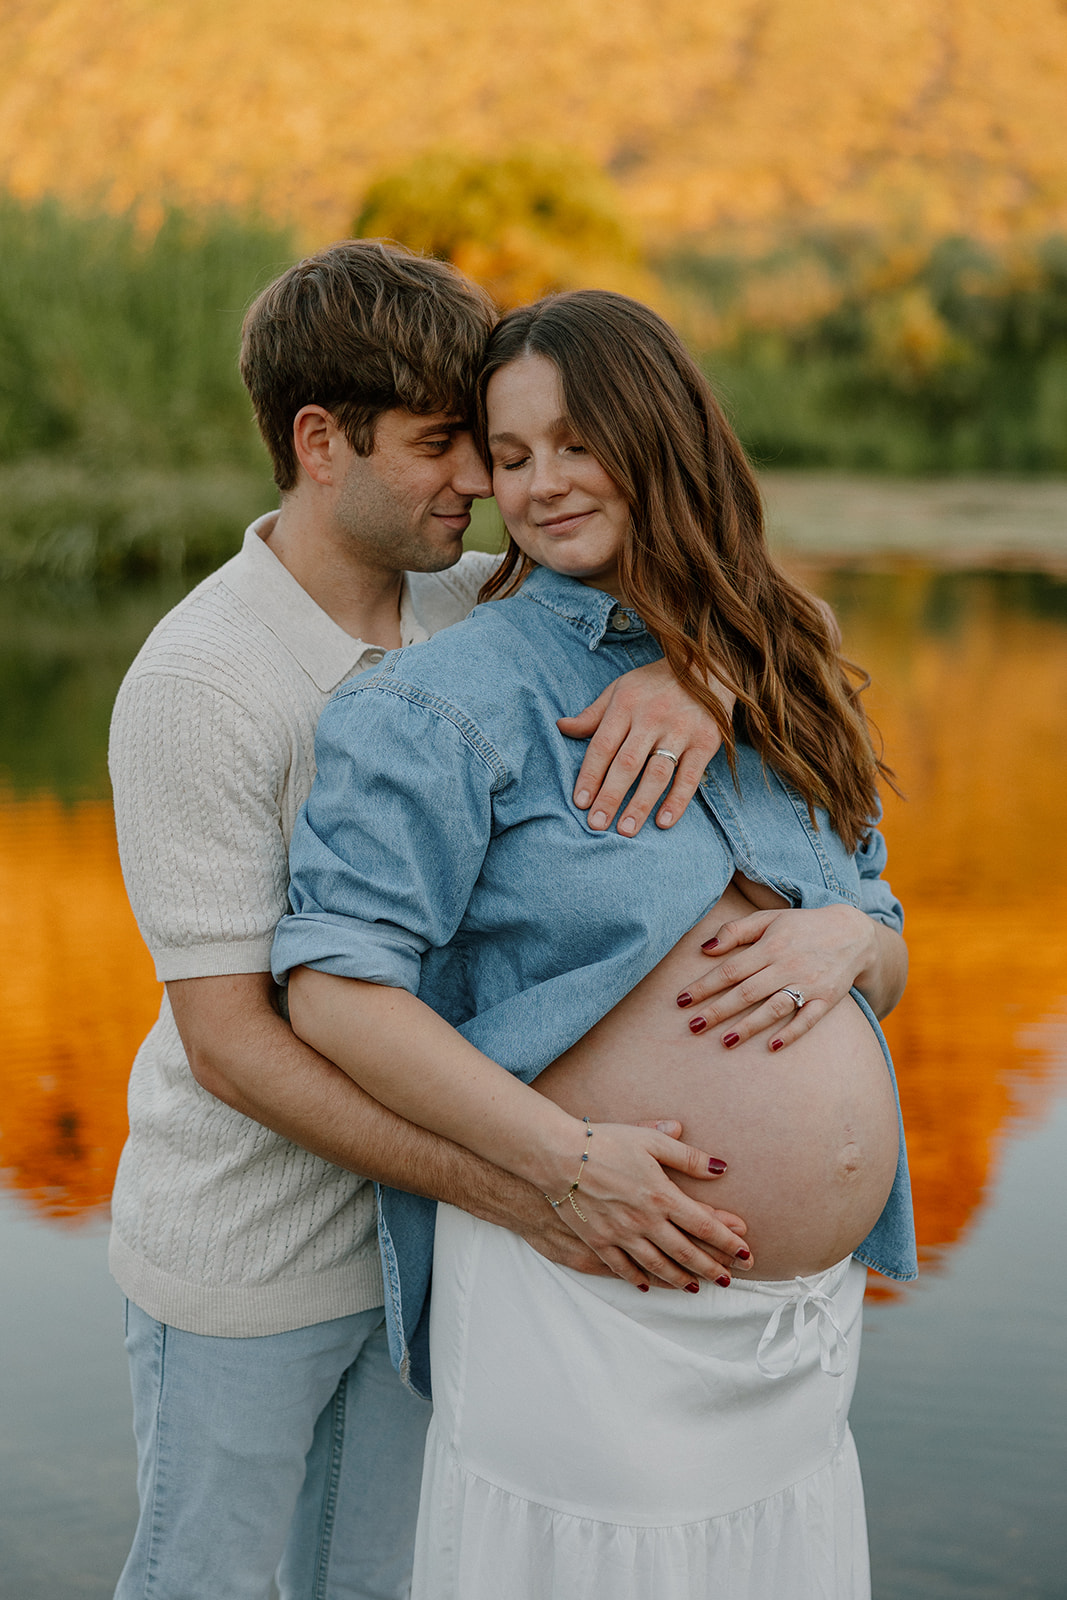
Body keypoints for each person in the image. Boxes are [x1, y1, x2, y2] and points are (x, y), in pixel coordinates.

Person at [106, 244, 749, 1600]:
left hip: (434, 1249)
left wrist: (705, 678)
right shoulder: (199, 684)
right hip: (258, 1256)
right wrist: (535, 1184)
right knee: (203, 1580)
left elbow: (750, 599)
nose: (484, 483)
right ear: (320, 440)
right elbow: (231, 1043)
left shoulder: (478, 604)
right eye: (447, 445)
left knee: (379, 1579)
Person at [272, 289, 919, 1600]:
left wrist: (846, 939)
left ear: (662, 433)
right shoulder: (446, 699)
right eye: (510, 458)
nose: (542, 485)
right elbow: (337, 997)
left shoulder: (779, 667)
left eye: (576, 442)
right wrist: (568, 1170)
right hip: (593, 1303)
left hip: (797, 1341)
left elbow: (891, 942)